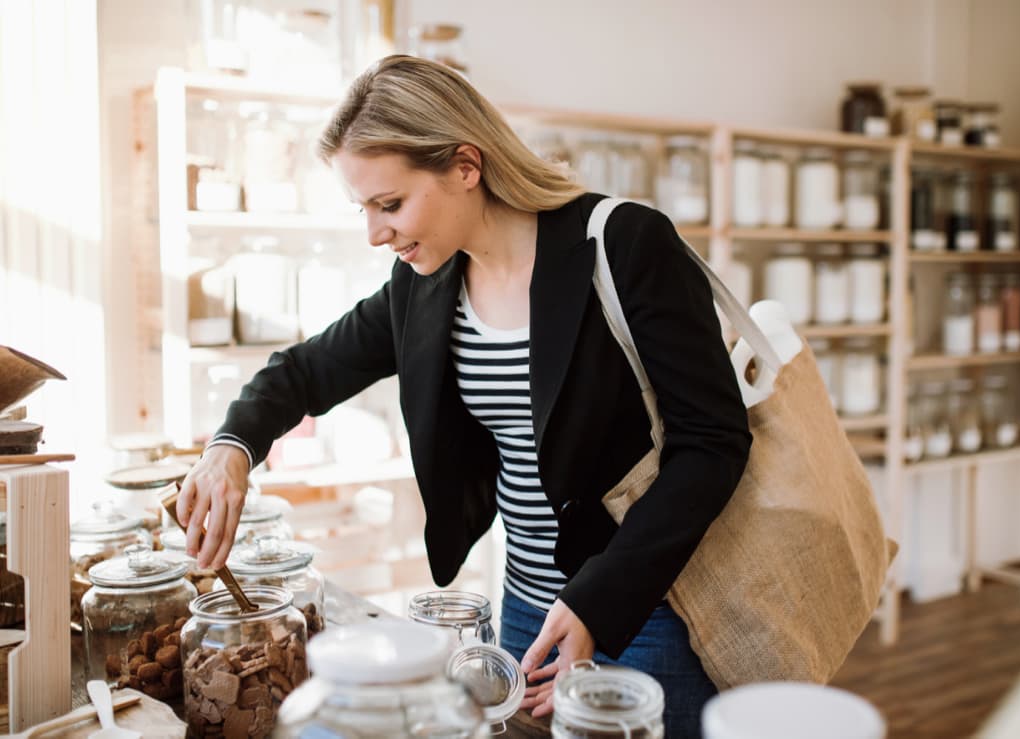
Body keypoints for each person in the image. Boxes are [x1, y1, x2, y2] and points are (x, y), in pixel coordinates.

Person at [178, 54, 751, 736]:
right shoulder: (425, 283)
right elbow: (305, 369)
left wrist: (603, 599)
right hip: (525, 608)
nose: (374, 232)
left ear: (465, 167)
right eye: (363, 208)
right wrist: (231, 446)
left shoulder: (623, 245)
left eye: (390, 204)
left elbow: (713, 442)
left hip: (647, 608)